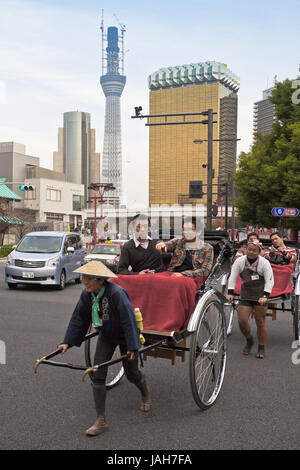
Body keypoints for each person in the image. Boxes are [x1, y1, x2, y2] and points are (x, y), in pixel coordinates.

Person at [58, 260, 151, 437]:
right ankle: (101, 420)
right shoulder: (87, 295)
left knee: (132, 373)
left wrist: (133, 346)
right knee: (97, 373)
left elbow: (129, 321)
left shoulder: (117, 294)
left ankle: (145, 392)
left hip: (125, 336)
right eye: (84, 277)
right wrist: (67, 342)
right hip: (106, 335)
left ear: (101, 280)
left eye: (89, 278)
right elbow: (79, 318)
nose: (85, 281)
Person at [226, 240, 274, 359]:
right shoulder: (240, 261)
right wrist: (230, 292)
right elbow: (233, 277)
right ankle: (249, 339)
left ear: (259, 252)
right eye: (249, 249)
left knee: (260, 321)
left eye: (254, 250)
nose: (251, 252)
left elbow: (270, 279)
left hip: (260, 295)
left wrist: (265, 295)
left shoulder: (264, 263)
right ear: (246, 249)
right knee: (242, 320)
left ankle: (261, 347)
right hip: (246, 293)